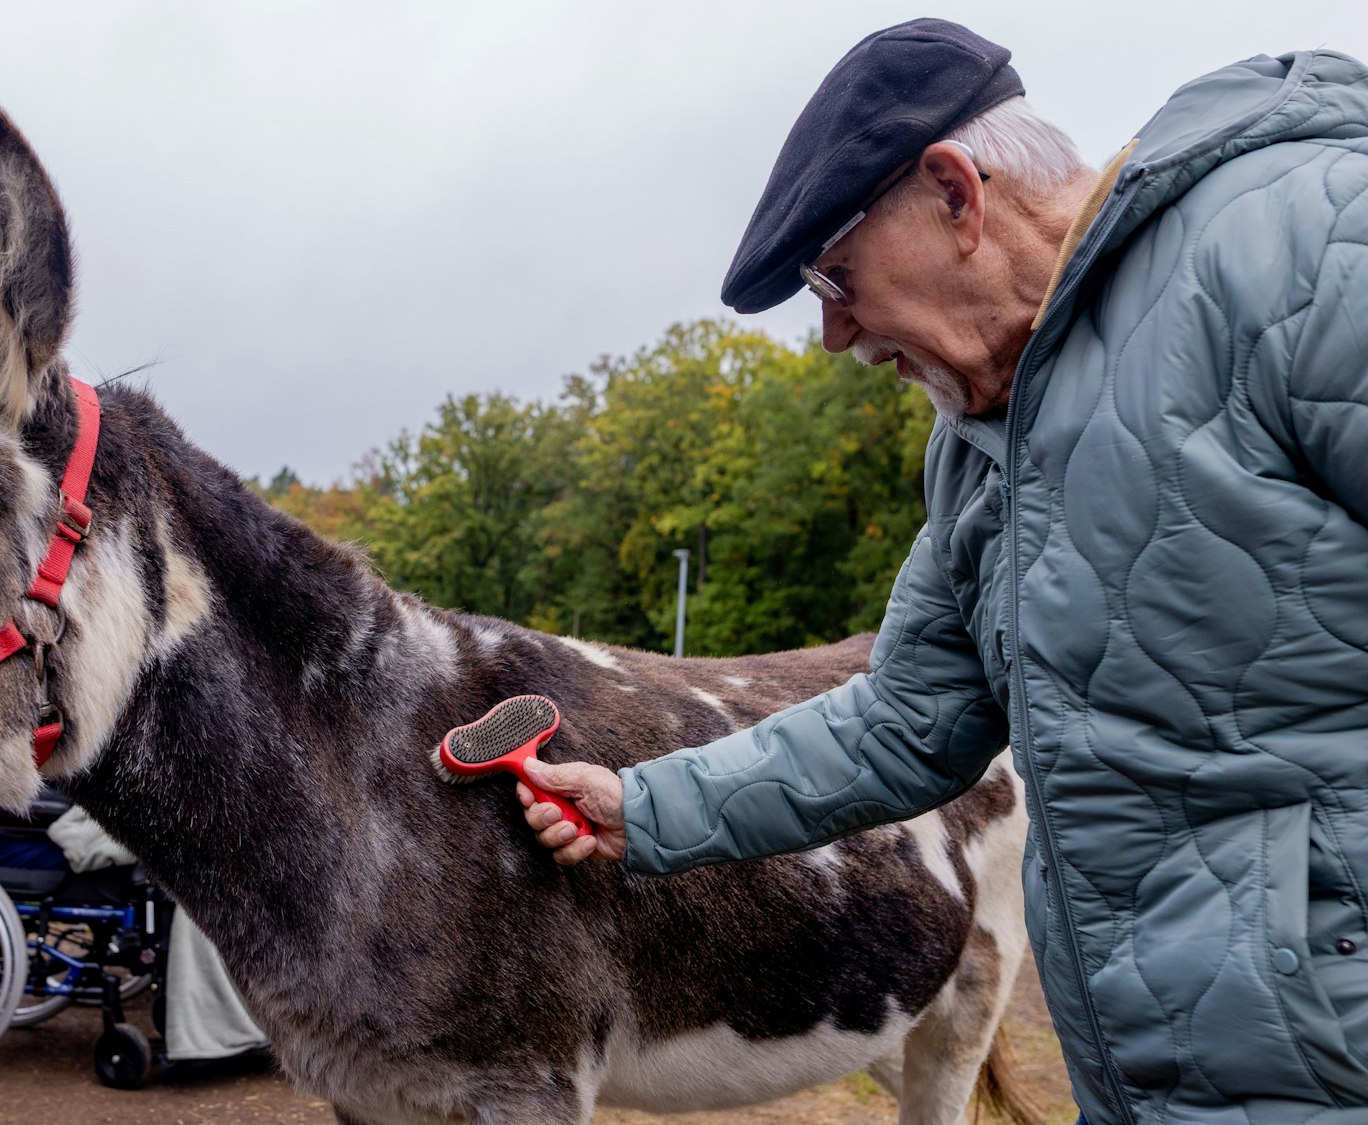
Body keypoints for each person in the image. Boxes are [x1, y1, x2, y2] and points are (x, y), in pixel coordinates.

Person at [515, 20, 1368, 1123]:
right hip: (1151, 1083)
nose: (834, 336)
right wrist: (645, 804)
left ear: (955, 193)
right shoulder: (975, 453)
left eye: (834, 274)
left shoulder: (1301, 240)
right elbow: (901, 723)